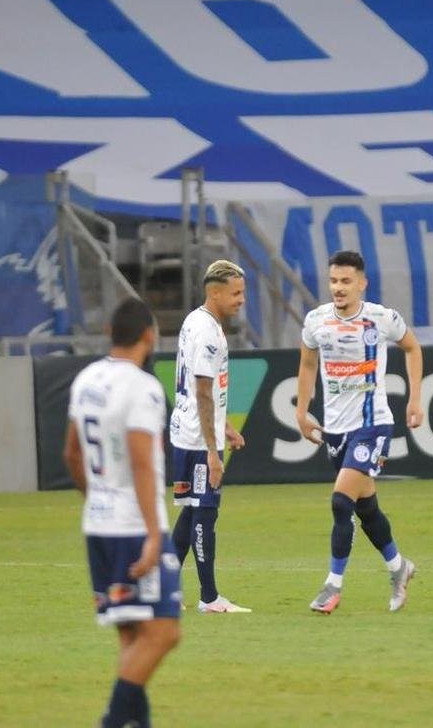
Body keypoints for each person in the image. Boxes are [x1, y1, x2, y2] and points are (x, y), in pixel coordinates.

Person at [64, 297, 181, 728]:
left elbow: (72, 453)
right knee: (166, 632)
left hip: (98, 521)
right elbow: (140, 460)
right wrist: (154, 534)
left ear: (111, 332)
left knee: (133, 635)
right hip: (135, 525)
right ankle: (113, 721)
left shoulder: (86, 379)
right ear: (149, 336)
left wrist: (94, 498)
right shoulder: (142, 387)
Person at [295, 250, 423, 614]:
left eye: (346, 281)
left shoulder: (381, 318)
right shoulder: (316, 321)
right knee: (366, 508)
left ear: (362, 283)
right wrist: (302, 410)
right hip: (335, 429)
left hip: (373, 424)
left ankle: (332, 587)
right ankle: (399, 567)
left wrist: (415, 399)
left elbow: (413, 348)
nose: (338, 288)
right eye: (334, 281)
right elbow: (307, 364)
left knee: (340, 501)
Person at [169, 260, 251, 612]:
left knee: (190, 512)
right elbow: (202, 391)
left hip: (186, 430)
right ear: (214, 292)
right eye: (236, 293)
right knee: (205, 514)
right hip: (197, 439)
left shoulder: (195, 320)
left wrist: (225, 426)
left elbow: (200, 387)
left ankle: (163, 588)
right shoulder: (207, 333)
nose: (241, 300)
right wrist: (213, 452)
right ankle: (209, 597)